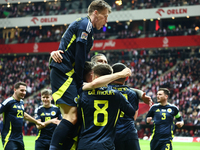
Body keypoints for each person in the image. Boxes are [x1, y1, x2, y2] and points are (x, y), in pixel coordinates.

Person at [49, 1, 111, 149]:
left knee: (74, 116)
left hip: (65, 72)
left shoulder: (86, 27)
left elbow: (68, 50)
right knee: (72, 116)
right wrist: (78, 82)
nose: (106, 21)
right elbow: (80, 57)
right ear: (95, 13)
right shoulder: (86, 25)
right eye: (105, 16)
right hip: (64, 73)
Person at [77, 63, 136, 150]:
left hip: (85, 144)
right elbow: (131, 112)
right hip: (106, 145)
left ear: (95, 78)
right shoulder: (117, 95)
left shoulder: (82, 93)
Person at [0, 82, 44, 150]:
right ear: (15, 90)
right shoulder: (8, 102)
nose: (24, 92)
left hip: (19, 138)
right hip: (9, 138)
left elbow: (24, 115)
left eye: (25, 91)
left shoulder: (21, 102)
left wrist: (36, 122)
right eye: (22, 90)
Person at [109, 63, 141, 150]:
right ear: (127, 77)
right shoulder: (133, 93)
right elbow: (134, 116)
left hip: (110, 134)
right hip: (129, 134)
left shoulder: (105, 90)